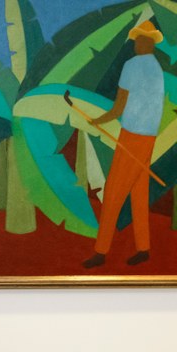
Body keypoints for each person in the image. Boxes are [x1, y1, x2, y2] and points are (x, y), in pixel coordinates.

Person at [82, 20, 165, 268]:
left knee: (114, 194)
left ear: (145, 43)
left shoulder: (132, 66)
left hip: (132, 136)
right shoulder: (157, 69)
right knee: (139, 194)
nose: (136, 44)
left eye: (140, 40)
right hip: (149, 137)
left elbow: (118, 107)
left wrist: (98, 120)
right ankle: (143, 247)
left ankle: (101, 250)